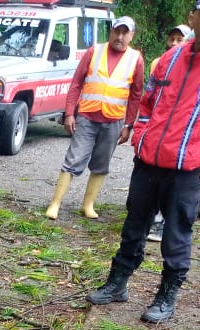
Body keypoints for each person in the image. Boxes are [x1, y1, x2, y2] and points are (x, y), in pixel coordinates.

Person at [86, 0, 200, 324]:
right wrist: (141, 134)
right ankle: (117, 283)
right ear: (191, 17)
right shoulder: (170, 58)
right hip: (149, 163)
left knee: (176, 235)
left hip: (187, 171)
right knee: (133, 226)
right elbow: (149, 102)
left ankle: (166, 295)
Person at [45, 17, 144, 220]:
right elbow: (76, 83)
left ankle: (87, 205)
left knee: (102, 163)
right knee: (73, 159)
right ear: (111, 31)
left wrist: (129, 125)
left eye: (125, 33)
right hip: (87, 117)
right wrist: (70, 113)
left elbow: (136, 94)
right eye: (117, 31)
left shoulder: (136, 59)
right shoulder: (95, 51)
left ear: (131, 35)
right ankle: (55, 203)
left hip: (114, 121)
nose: (120, 36)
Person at [147, 24, 193, 242]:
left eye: (180, 39)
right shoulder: (160, 63)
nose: (174, 43)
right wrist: (141, 132)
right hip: (156, 138)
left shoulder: (197, 67)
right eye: (172, 38)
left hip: (183, 143)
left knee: (176, 189)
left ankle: (164, 224)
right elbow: (148, 98)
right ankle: (151, 218)